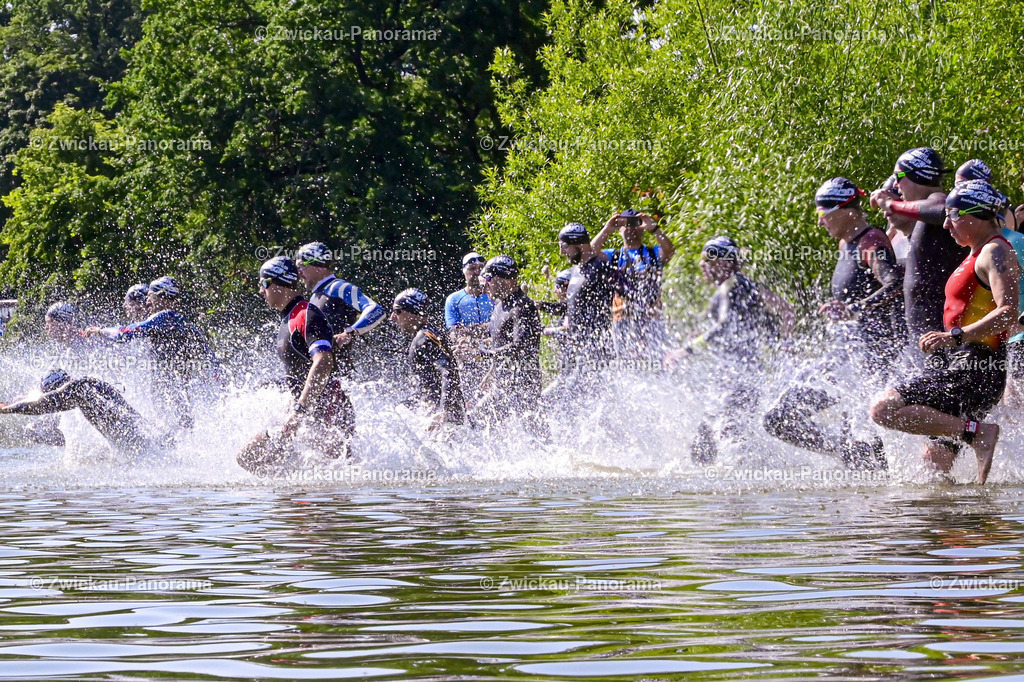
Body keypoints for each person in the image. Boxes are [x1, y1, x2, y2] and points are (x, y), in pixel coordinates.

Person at [870, 180, 1019, 484]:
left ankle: (977, 434)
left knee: (883, 409)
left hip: (975, 370)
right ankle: (973, 525)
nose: (947, 224)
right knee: (933, 475)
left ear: (975, 216)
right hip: (966, 366)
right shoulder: (976, 252)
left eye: (953, 216)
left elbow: (1007, 313)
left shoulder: (995, 252)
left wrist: (954, 337)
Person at [763, 178, 902, 471]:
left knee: (867, 445)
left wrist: (854, 309)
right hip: (844, 360)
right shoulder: (845, 244)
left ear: (845, 211)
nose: (820, 222)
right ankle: (846, 454)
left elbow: (894, 284)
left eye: (822, 214)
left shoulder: (871, 242)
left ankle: (881, 490)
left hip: (871, 363)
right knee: (778, 418)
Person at [667, 236, 793, 464]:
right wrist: (785, 345)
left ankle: (738, 491)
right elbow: (787, 310)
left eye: (707, 260)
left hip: (737, 379)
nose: (701, 265)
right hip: (741, 375)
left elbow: (724, 325)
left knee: (723, 438)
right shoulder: (746, 284)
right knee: (710, 438)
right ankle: (728, 489)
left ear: (724, 263)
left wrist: (685, 350)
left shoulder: (731, 285)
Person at [237, 257, 355, 473]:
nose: (261, 291)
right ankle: (287, 501)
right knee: (249, 458)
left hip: (328, 414)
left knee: (331, 491)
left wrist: (300, 410)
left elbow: (323, 361)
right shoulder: (289, 317)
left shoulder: (305, 314)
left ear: (279, 284)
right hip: (306, 413)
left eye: (263, 284)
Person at [84, 276, 216, 430]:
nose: (147, 303)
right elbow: (206, 351)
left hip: (171, 391)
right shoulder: (181, 320)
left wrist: (99, 331)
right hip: (176, 390)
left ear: (162, 296)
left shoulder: (166, 316)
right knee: (181, 424)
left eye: (150, 297)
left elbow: (125, 333)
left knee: (176, 426)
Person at [872, 147, 965, 342]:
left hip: (940, 339)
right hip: (923, 341)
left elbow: (943, 210)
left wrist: (890, 204)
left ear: (918, 175)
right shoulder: (924, 219)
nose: (896, 185)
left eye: (898, 176)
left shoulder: (938, 201)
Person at [0, 369, 156, 454]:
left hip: (141, 445)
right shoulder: (88, 387)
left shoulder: (77, 388)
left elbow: (45, 403)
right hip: (143, 439)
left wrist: (7, 409)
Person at [591, 209, 675, 362]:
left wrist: (654, 228)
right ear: (620, 228)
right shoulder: (614, 256)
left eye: (635, 223)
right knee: (628, 366)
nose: (631, 228)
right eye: (626, 224)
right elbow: (590, 254)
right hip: (622, 321)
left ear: (641, 227)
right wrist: (607, 229)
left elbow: (669, 251)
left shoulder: (652, 253)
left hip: (653, 319)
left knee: (658, 364)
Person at [294, 241, 385, 376]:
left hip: (339, 377)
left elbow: (376, 310)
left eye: (301, 266)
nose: (299, 272)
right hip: (322, 375)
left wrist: (349, 333)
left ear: (319, 266)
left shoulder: (338, 287)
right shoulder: (316, 296)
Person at [473, 256, 543, 423]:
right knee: (473, 422)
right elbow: (500, 343)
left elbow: (521, 347)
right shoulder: (500, 306)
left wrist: (486, 354)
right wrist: (491, 372)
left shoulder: (523, 307)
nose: (484, 289)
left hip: (524, 385)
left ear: (503, 278)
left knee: (535, 437)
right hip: (502, 384)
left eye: (488, 280)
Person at [391, 288, 466, 429]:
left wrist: (444, 411)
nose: (393, 317)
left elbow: (449, 371)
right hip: (433, 412)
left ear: (412, 312)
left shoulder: (426, 338)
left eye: (398, 311)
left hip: (442, 420)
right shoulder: (427, 335)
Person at [444, 252, 494, 397]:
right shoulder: (454, 299)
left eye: (480, 268)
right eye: (472, 268)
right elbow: (455, 332)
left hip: (492, 353)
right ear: (464, 271)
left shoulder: (494, 295)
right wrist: (486, 327)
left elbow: (500, 327)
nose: (477, 272)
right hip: (467, 355)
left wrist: (470, 333)